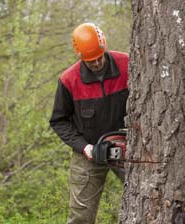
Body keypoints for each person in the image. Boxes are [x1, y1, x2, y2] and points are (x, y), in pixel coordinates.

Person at [49, 23, 129, 224]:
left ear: (104, 47)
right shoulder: (69, 80)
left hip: (126, 146)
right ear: (80, 56)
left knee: (148, 193)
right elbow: (59, 121)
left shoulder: (126, 64)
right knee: (80, 217)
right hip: (89, 151)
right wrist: (84, 147)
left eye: (99, 57)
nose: (96, 63)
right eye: (90, 60)